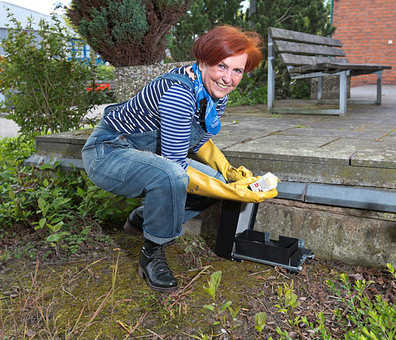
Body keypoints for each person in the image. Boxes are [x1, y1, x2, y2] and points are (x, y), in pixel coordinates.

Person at [81, 25, 278, 293]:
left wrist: (228, 172)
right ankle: (152, 254)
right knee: (172, 176)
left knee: (213, 181)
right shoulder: (178, 92)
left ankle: (143, 218)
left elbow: (199, 141)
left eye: (237, 70)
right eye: (221, 66)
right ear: (203, 62)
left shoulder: (214, 93)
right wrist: (232, 192)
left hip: (146, 153)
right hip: (108, 152)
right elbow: (176, 165)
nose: (228, 78)